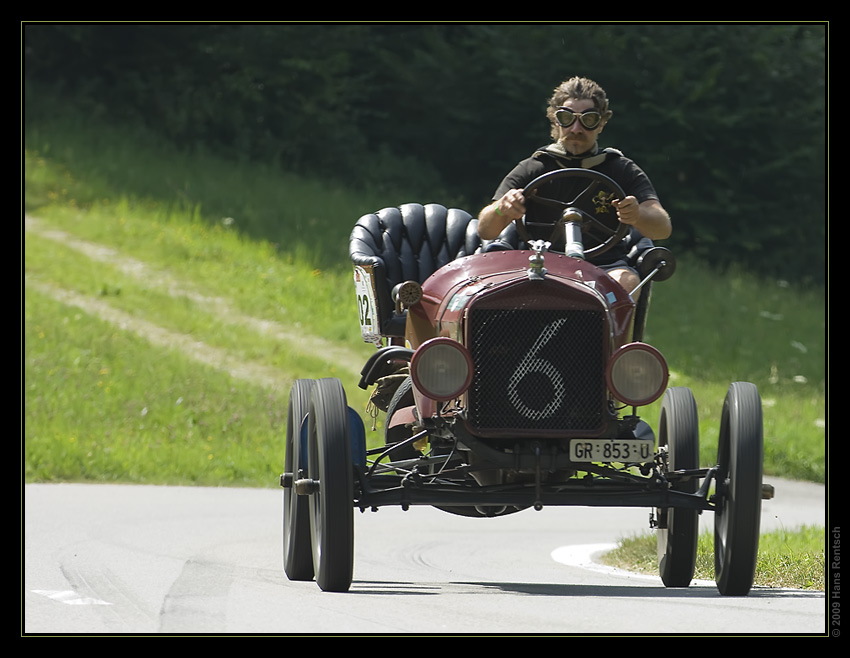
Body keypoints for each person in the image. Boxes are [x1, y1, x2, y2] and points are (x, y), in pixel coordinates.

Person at [478, 76, 671, 296]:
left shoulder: (621, 169)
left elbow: (662, 228)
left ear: (601, 124)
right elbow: (486, 229)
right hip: (539, 265)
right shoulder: (533, 167)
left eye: (587, 120)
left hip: (603, 267)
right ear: (555, 120)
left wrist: (636, 215)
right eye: (567, 118)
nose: (576, 128)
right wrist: (502, 207)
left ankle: (605, 329)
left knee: (626, 281)